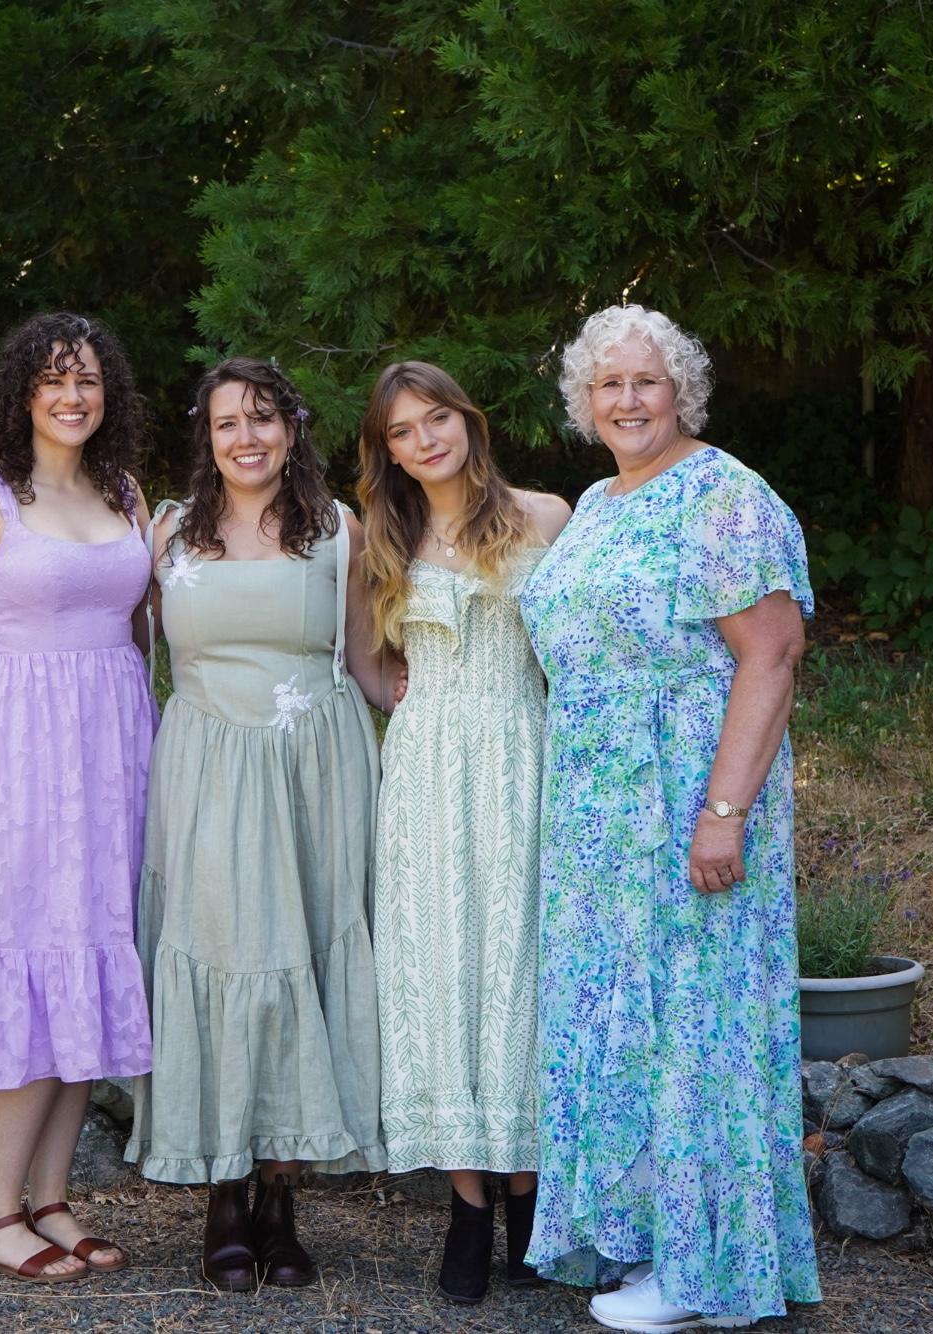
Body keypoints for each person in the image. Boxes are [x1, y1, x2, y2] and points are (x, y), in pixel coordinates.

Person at [519, 305, 822, 1330]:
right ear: (583, 401)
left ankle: (710, 1274)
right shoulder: (600, 499)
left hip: (687, 803)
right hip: (599, 824)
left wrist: (721, 813)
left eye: (645, 381)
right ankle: (649, 1241)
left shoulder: (723, 496)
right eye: (606, 385)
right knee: (623, 1032)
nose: (626, 400)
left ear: (679, 389)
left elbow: (770, 654)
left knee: (695, 1028)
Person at [125, 357, 394, 1292]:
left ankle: (282, 1201)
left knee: (304, 961)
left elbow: (365, 661)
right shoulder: (162, 536)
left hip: (316, 768)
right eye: (228, 423)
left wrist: (466, 708)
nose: (248, 438)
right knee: (223, 950)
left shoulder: (338, 533)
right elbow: (119, 657)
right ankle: (223, 1200)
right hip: (205, 768)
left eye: (265, 420)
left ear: (292, 431)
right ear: (205, 437)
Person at [0, 312, 155, 1283]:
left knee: (92, 971)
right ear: (24, 390)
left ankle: (51, 1196)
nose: (73, 395)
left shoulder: (125, 490)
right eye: (56, 378)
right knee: (33, 971)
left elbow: (144, 632)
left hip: (115, 761)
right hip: (21, 763)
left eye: (90, 380)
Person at [357, 361, 570, 1304]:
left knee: (518, 964)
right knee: (441, 967)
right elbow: (365, 660)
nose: (425, 440)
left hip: (523, 751)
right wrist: (400, 696)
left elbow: (579, 647)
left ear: (467, 422)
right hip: (427, 768)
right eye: (403, 431)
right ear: (388, 450)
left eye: (435, 418)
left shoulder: (548, 517)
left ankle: (529, 1197)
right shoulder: (382, 534)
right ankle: (466, 1205)